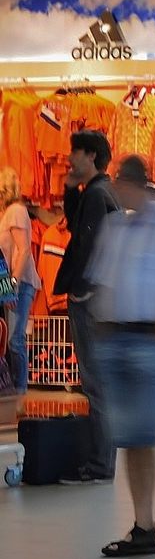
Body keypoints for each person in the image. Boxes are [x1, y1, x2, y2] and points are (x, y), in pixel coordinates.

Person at [87, 156, 155, 557]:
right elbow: (103, 279)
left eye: (121, 183)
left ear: (136, 183)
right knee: (132, 438)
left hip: (151, 339)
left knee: (152, 432)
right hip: (116, 339)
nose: (118, 190)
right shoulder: (117, 227)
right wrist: (101, 331)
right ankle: (143, 525)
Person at [59, 129, 121, 486]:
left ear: (91, 156)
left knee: (95, 383)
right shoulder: (99, 192)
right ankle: (101, 462)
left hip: (91, 300)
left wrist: (82, 290)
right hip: (99, 299)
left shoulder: (98, 195)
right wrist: (69, 187)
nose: (69, 158)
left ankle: (100, 464)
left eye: (75, 152)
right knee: (98, 383)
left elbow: (89, 245)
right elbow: (76, 230)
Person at [1, 166, 41, 391]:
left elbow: (24, 250)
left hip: (20, 283)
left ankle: (20, 392)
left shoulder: (16, 211)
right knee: (10, 341)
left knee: (15, 340)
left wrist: (11, 287)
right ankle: (15, 390)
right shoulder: (8, 213)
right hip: (11, 283)